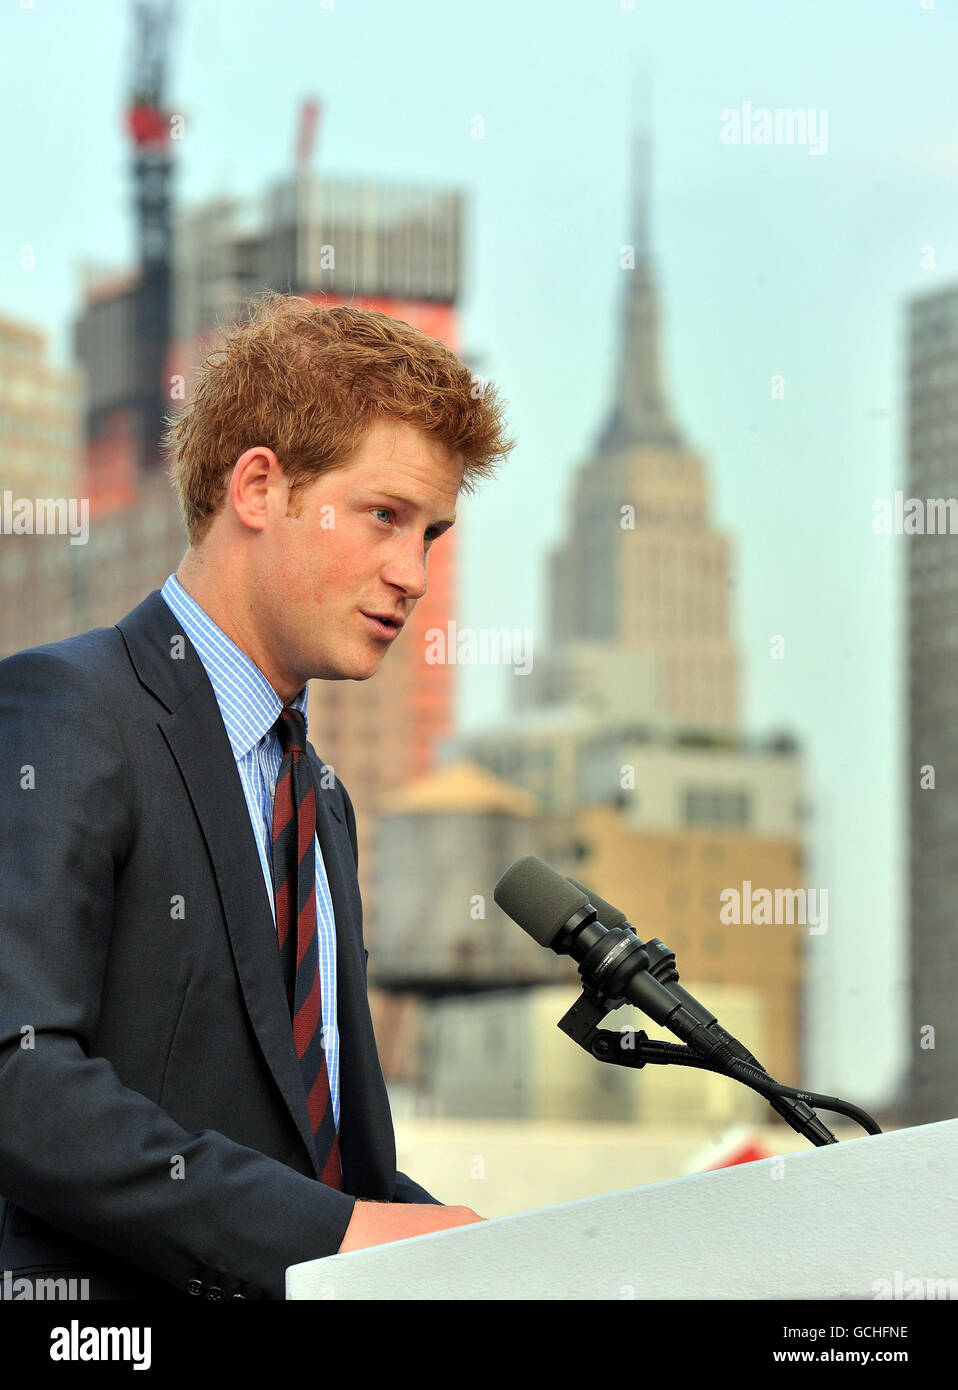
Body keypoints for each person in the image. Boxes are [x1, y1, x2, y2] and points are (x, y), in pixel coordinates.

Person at [0, 293, 515, 1299]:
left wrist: (507, 1253)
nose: (411, 573)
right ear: (258, 487)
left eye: (432, 535)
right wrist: (331, 1236)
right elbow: (19, 1077)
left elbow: (335, 1172)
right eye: (385, 516)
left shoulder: (321, 803)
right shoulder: (68, 711)